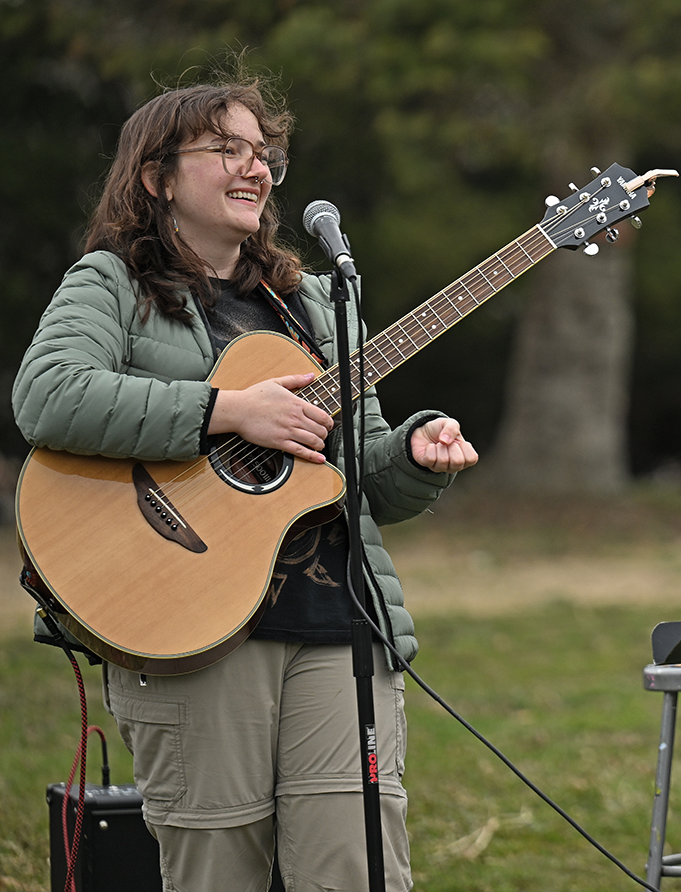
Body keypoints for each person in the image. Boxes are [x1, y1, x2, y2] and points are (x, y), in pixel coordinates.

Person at [12, 78, 479, 891]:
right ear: (157, 177)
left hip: (341, 625)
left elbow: (364, 472)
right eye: (226, 149)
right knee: (217, 872)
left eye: (264, 153)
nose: (254, 167)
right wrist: (227, 411)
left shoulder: (318, 306)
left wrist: (415, 456)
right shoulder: (111, 283)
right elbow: (47, 395)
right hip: (188, 625)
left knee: (358, 870)